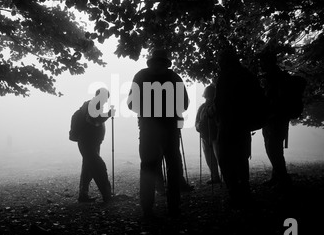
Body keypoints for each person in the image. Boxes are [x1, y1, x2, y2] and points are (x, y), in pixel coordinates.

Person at [127, 49, 189, 218]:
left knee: (147, 167)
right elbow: (184, 104)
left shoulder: (140, 76)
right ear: (167, 61)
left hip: (148, 130)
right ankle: (174, 207)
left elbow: (131, 104)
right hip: (170, 129)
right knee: (173, 168)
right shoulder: (174, 77)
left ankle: (147, 209)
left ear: (151, 61)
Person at [214, 47, 258, 207]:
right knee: (241, 159)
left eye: (220, 58)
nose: (219, 62)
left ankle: (235, 193)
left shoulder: (225, 76)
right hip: (243, 125)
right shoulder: (247, 75)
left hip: (227, 125)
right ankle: (244, 192)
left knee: (225, 159)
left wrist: (217, 115)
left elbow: (220, 103)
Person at [258, 51, 293, 189]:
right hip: (273, 119)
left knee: (273, 149)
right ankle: (277, 177)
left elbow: (277, 99)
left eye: (262, 62)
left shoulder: (276, 78)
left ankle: (283, 179)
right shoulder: (275, 76)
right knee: (274, 148)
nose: (261, 65)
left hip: (275, 118)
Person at [76, 88, 115, 203]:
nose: (105, 101)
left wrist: (106, 114)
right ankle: (107, 196)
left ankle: (83, 195)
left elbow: (95, 120)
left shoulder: (92, 105)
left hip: (91, 142)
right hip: (87, 143)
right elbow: (94, 121)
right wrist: (108, 115)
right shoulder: (92, 105)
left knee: (88, 168)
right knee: (99, 166)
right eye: (105, 98)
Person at [196, 84, 221, 184]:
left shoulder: (217, 107)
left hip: (216, 136)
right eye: (206, 96)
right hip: (205, 136)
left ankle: (226, 177)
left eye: (209, 96)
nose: (207, 99)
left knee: (220, 158)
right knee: (209, 158)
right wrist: (199, 126)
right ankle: (215, 177)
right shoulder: (202, 107)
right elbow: (197, 121)